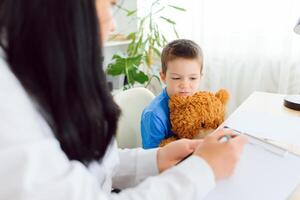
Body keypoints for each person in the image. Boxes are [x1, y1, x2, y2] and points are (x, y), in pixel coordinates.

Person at [0, 0, 248, 200]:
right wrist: (203, 170)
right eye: (110, 4)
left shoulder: (39, 68)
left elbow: (90, 168)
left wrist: (155, 159)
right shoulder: (7, 104)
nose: (113, 25)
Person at [141, 39, 204, 149]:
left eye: (193, 78)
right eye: (176, 78)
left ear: (200, 77)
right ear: (163, 77)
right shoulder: (154, 115)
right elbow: (153, 157)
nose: (185, 85)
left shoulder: (198, 103)